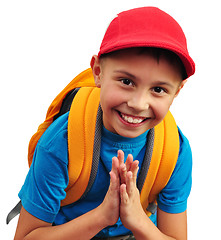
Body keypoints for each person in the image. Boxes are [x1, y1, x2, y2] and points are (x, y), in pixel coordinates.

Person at [14, 6, 195, 240]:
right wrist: (102, 216)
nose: (139, 103)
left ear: (177, 91)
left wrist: (139, 221)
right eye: (126, 81)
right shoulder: (61, 143)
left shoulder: (174, 151)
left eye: (158, 89)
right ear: (98, 72)